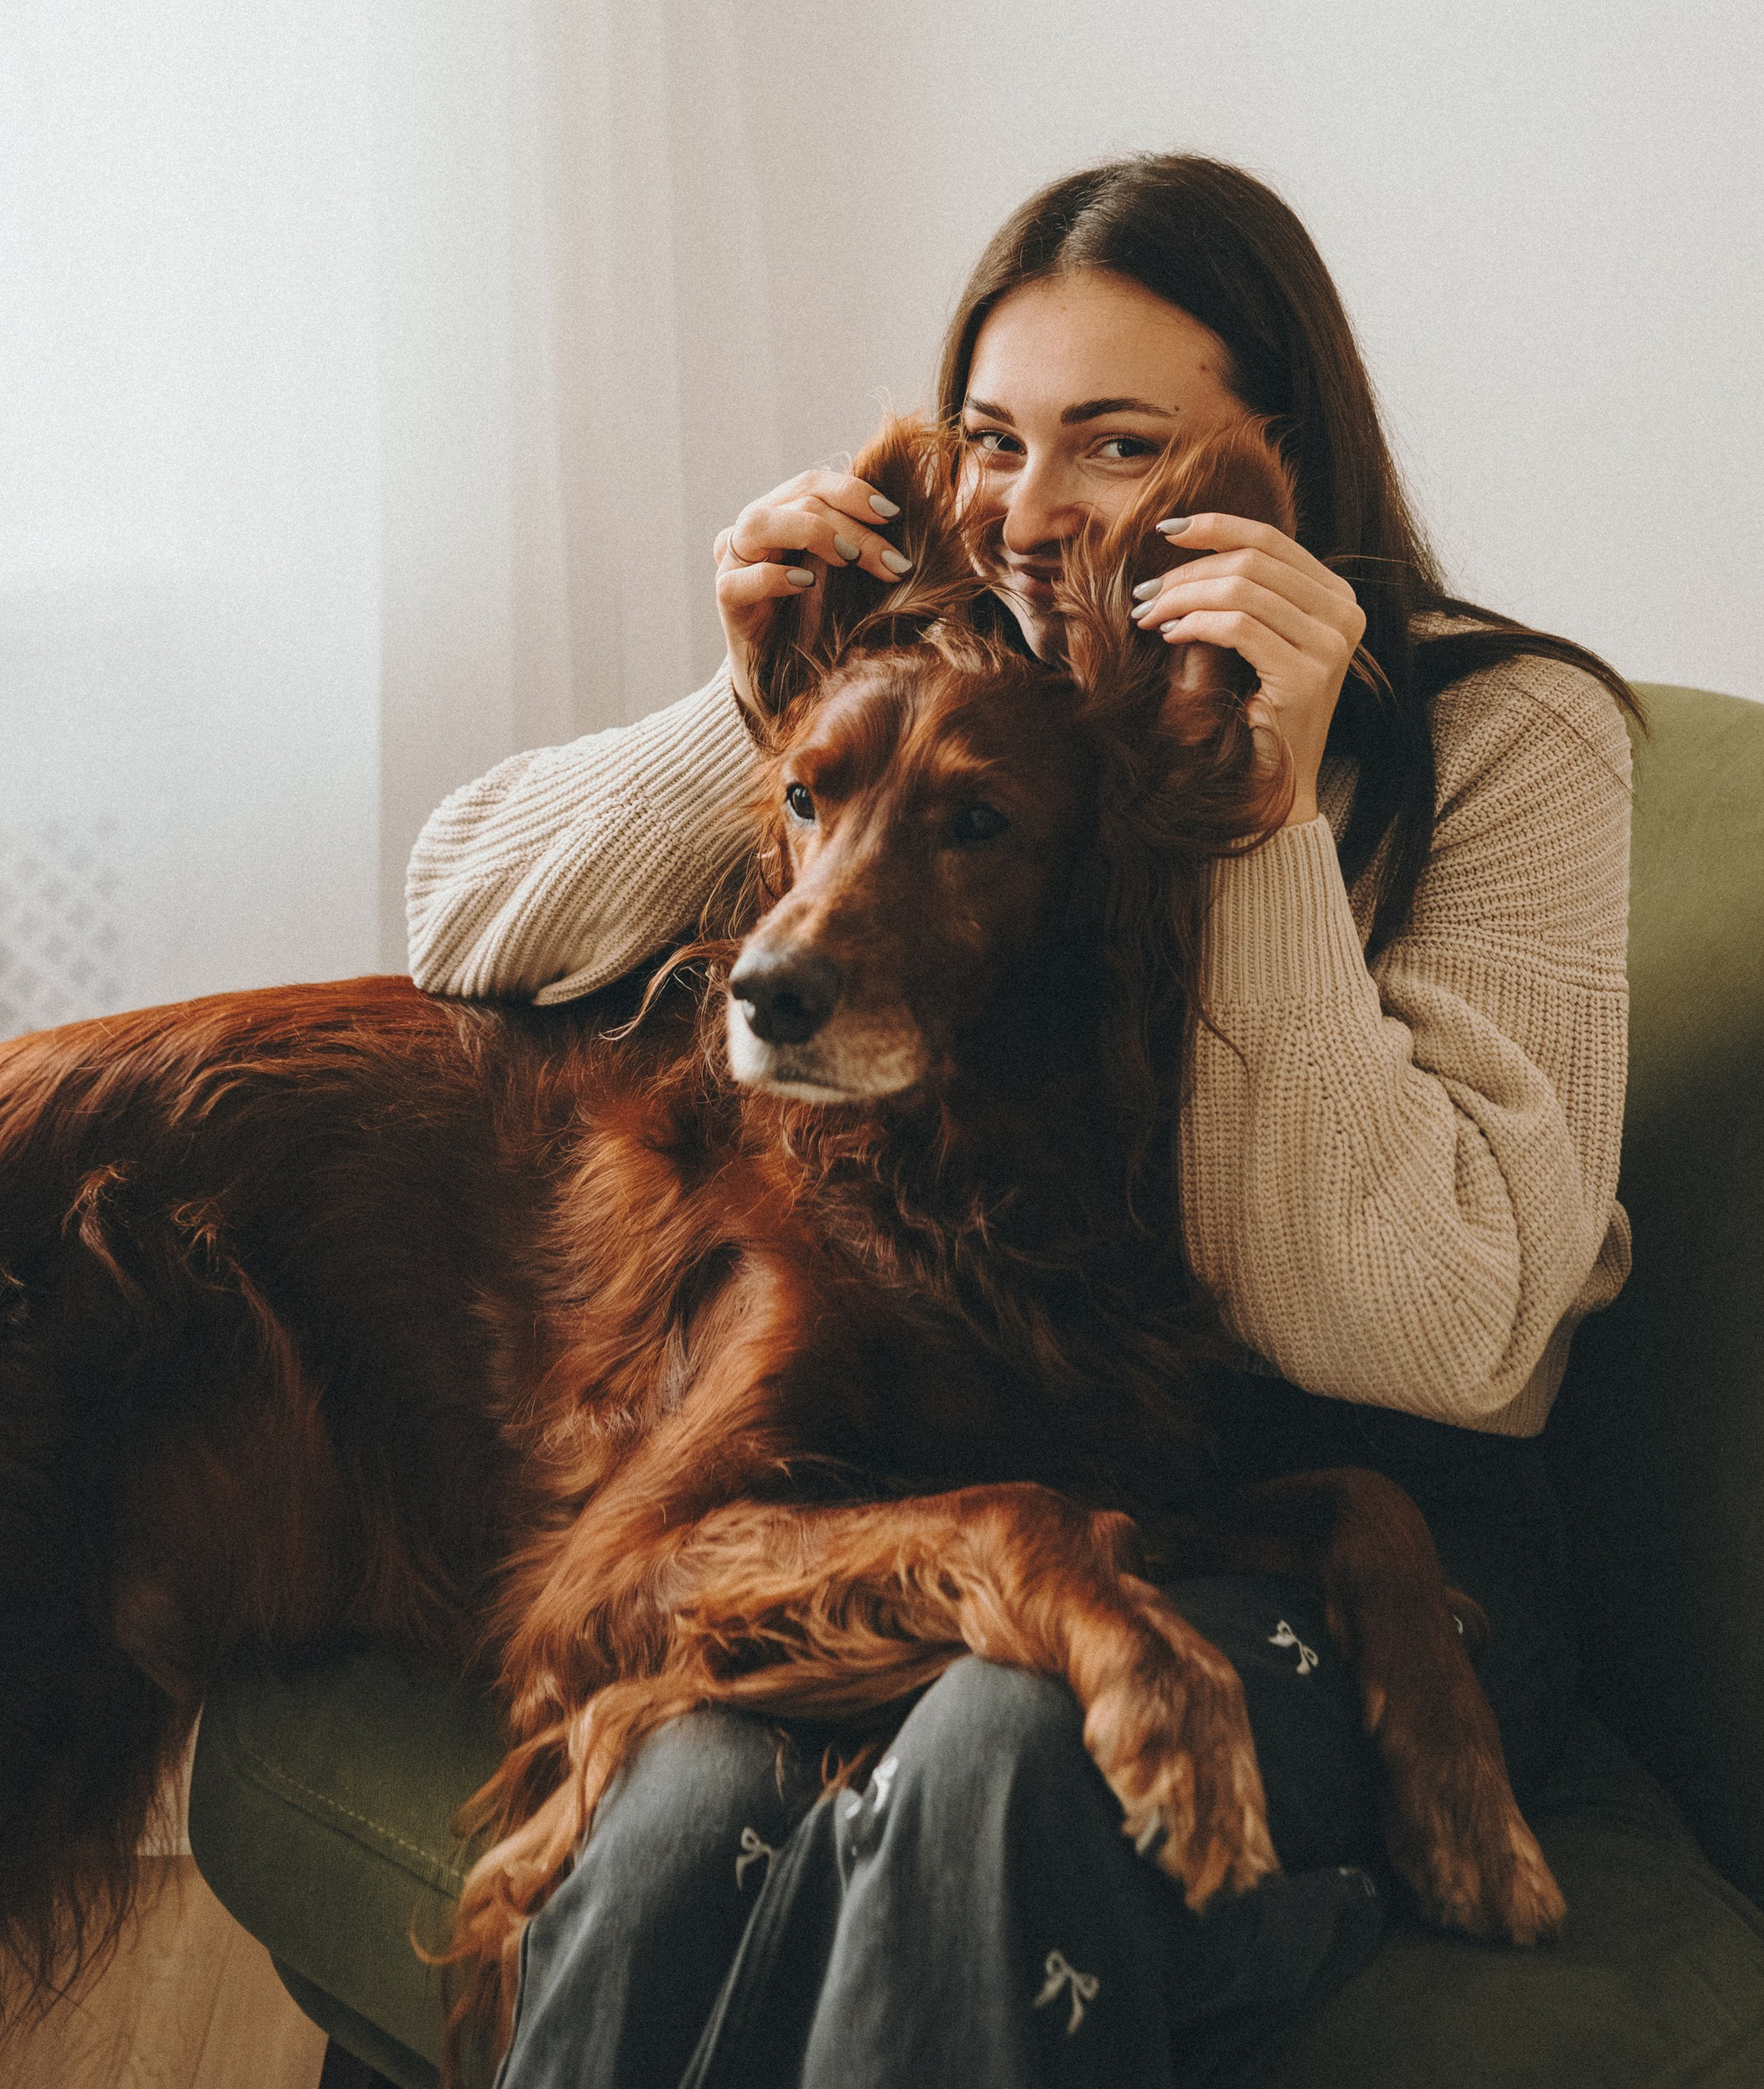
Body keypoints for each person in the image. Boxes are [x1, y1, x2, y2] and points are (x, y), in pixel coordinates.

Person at [408, 153, 1636, 2089]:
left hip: (1370, 1537)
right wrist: (764, 704)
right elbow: (461, 923)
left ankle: (1270, 1923)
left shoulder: (1509, 739)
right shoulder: (967, 695)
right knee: (687, 1796)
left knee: (998, 1745)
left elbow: (1425, 1333)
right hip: (1044, 1465)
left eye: (1116, 446)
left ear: (1278, 464)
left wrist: (1261, 817)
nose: (1030, 514)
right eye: (992, 441)